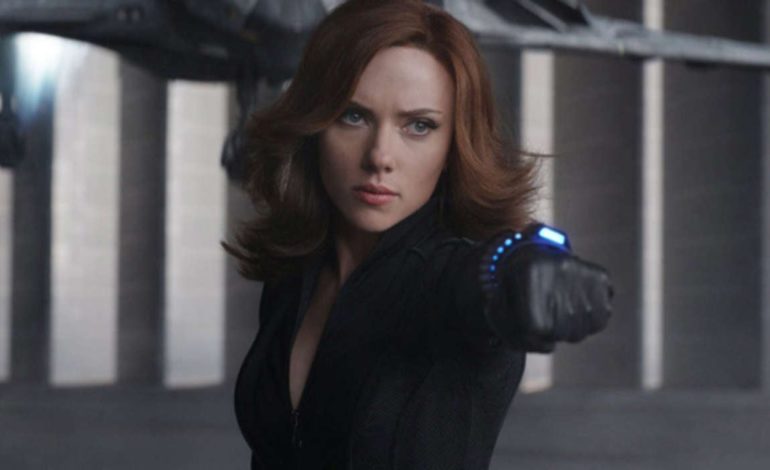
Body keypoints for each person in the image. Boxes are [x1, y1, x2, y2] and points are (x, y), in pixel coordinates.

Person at [223, 0, 613, 468]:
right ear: (315, 125)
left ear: (453, 147)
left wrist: (514, 267)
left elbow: (481, 279)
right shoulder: (293, 275)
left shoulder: (446, 278)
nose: (380, 156)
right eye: (353, 116)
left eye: (419, 126)